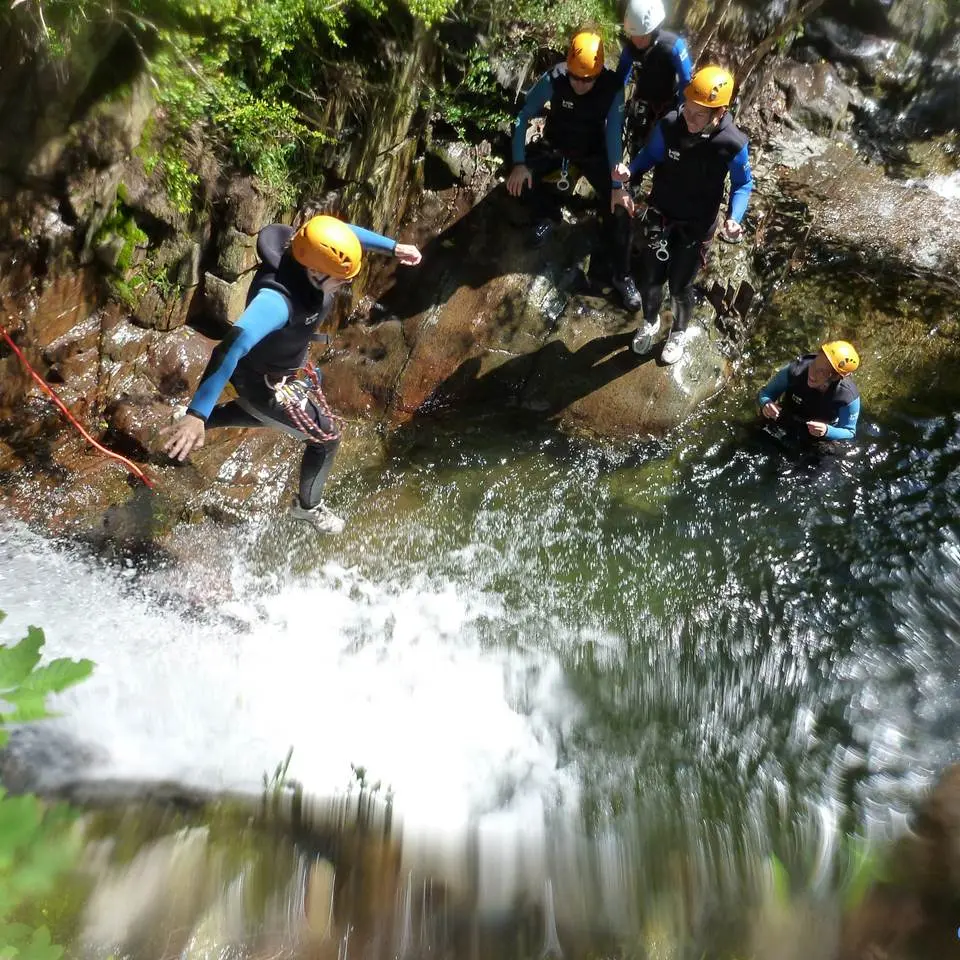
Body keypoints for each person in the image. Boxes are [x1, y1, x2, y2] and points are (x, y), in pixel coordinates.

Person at [163, 215, 422, 534]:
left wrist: (394, 248)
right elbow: (229, 349)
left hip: (281, 372)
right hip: (264, 385)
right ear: (315, 271)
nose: (346, 283)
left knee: (263, 417)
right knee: (325, 439)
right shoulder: (277, 302)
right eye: (340, 278)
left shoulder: (305, 245)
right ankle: (308, 509)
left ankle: (196, 424)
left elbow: (343, 235)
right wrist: (196, 412)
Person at [614, 65, 753, 365]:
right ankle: (650, 321)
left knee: (679, 285)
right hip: (661, 215)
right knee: (651, 280)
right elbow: (650, 156)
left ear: (720, 112)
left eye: (698, 114)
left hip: (696, 225)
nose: (688, 118)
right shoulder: (670, 124)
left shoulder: (732, 143)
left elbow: (743, 184)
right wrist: (631, 171)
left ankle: (678, 331)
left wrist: (735, 217)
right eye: (687, 109)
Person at [506, 30, 641, 311]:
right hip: (557, 145)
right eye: (575, 77)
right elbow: (523, 117)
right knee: (518, 179)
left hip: (594, 152)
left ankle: (621, 274)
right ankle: (547, 214)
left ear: (599, 72)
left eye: (587, 79)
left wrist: (617, 187)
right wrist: (519, 164)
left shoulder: (612, 86)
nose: (579, 84)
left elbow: (614, 132)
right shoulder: (555, 78)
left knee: (621, 209)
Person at [616, 0, 692, 149]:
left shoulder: (673, 46)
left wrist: (681, 115)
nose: (636, 41)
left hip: (667, 104)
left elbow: (686, 82)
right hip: (641, 102)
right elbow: (619, 79)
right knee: (636, 143)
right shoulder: (630, 48)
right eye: (633, 35)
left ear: (654, 30)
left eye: (642, 36)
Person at [757, 340, 861, 442]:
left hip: (818, 436)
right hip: (785, 417)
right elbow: (766, 393)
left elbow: (849, 431)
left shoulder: (847, 396)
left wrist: (827, 431)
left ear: (836, 377)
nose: (812, 374)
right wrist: (766, 403)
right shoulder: (795, 370)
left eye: (822, 372)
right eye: (814, 364)